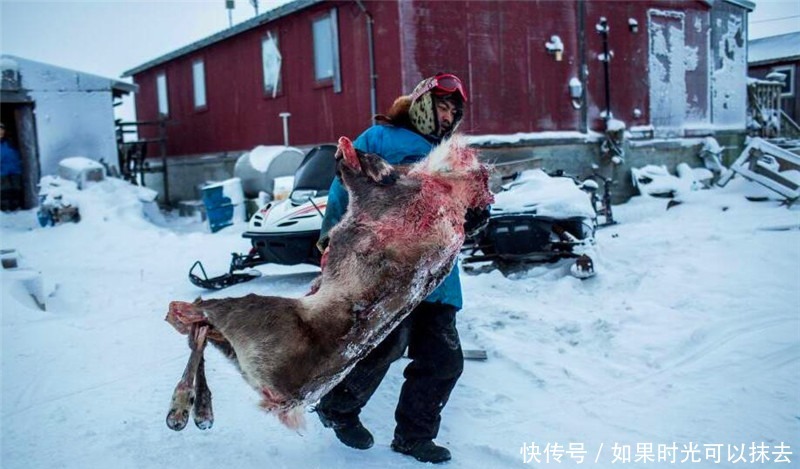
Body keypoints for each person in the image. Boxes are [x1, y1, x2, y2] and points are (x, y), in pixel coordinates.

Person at [314, 73, 488, 464]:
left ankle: (415, 436)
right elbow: (344, 188)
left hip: (438, 276)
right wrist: (331, 239)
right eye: (442, 106)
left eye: (453, 111)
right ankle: (338, 407)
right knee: (386, 343)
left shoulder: (455, 153)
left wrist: (477, 215)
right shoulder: (378, 139)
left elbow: (469, 205)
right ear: (422, 103)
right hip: (386, 268)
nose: (447, 116)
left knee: (443, 360)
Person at [0, 122, 24, 212]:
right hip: (2, 170)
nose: (1, 132)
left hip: (15, 168)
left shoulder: (10, 141)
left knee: (16, 188)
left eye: (2, 130)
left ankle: (16, 206)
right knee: (4, 189)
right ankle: (5, 207)